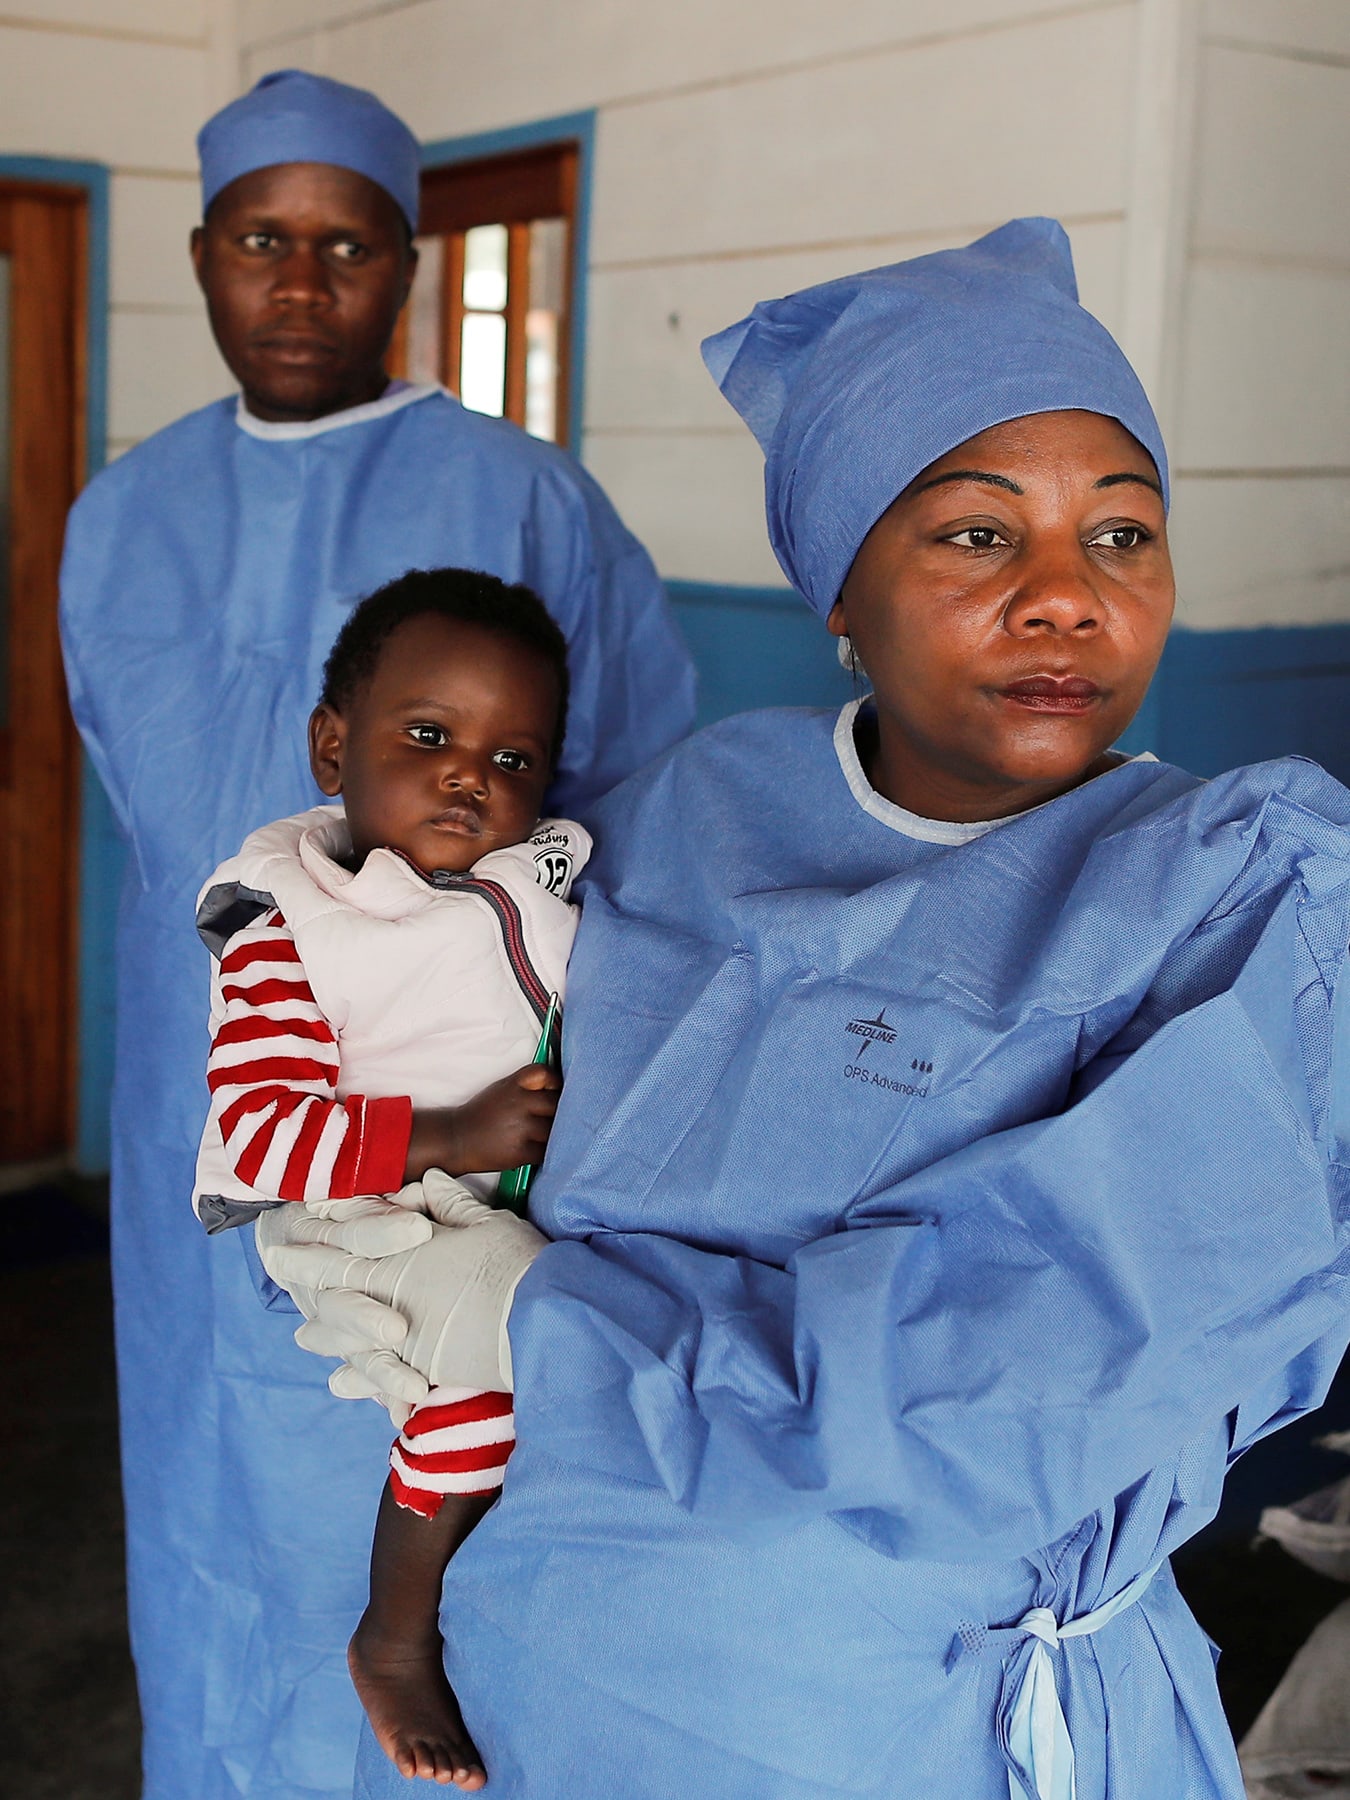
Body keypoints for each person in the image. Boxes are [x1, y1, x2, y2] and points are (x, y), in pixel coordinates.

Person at [260, 217, 1350, 1799]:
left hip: (895, 1724)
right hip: (541, 1658)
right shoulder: (684, 814)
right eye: (977, 536)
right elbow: (437, 1029)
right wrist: (365, 1204)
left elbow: (1004, 1395)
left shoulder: (1246, 904)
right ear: (838, 592)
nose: (1063, 597)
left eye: (1121, 534)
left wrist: (529, 1323)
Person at [58, 68, 695, 1800]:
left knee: (426, 1465)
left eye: (346, 248)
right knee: (208, 1486)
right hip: (202, 1090)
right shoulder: (121, 517)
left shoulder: (519, 500)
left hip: (457, 1125)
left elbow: (621, 809)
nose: (299, 283)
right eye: (263, 241)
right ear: (202, 255)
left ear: (403, 267)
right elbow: (145, 802)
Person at [195, 569, 586, 1791]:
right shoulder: (292, 928)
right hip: (359, 1209)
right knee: (492, 1358)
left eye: (515, 757)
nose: (473, 775)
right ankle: (397, 1633)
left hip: (477, 1191)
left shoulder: (534, 878)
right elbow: (257, 1135)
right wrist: (447, 1136)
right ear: (333, 746)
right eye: (429, 736)